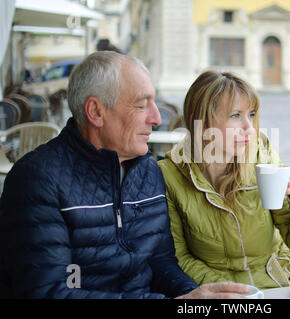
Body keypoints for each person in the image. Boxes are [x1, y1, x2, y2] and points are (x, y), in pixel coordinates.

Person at [0, 51, 249, 299]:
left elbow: (160, 262)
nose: (157, 118)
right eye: (142, 105)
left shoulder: (148, 171)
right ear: (96, 112)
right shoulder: (36, 180)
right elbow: (48, 292)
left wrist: (195, 296)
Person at [157, 70, 290, 289]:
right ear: (203, 122)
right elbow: (180, 258)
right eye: (236, 115)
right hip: (227, 294)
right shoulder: (170, 175)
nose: (249, 129)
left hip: (284, 284)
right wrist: (237, 291)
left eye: (251, 115)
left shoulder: (262, 156)